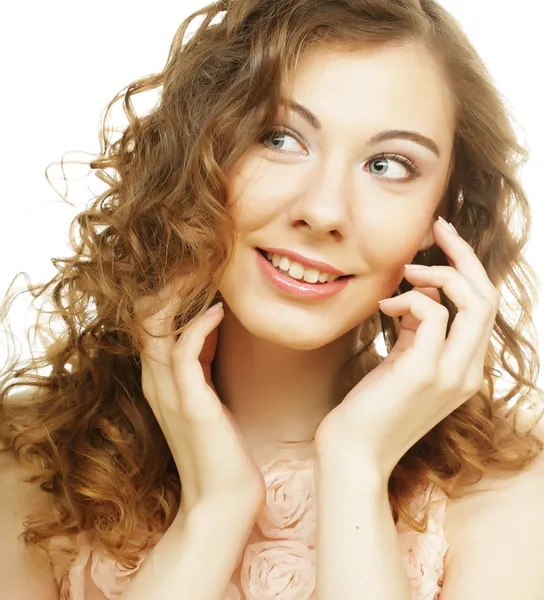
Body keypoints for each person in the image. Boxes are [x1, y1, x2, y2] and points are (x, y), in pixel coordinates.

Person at [1, 0, 543, 598]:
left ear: (438, 217)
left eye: (387, 164)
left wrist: (355, 465)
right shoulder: (27, 469)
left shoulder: (513, 491)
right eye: (279, 137)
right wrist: (213, 513)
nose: (324, 211)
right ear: (199, 156)